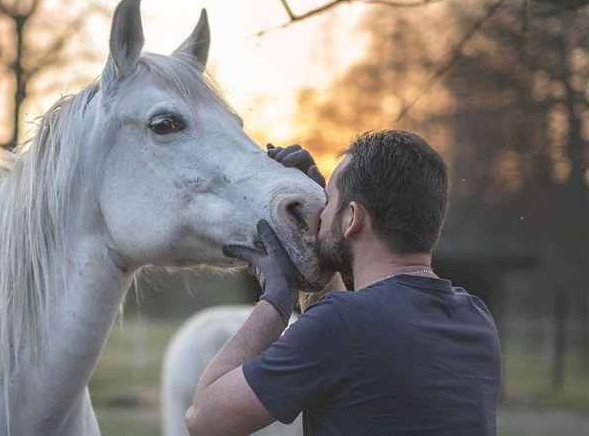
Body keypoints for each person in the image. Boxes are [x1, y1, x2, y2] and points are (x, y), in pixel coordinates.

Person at [184, 130, 502, 436]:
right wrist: (315, 244)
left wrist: (276, 301)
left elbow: (204, 419)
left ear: (352, 218)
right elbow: (353, 339)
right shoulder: (476, 320)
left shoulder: (342, 325)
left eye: (328, 200)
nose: (320, 213)